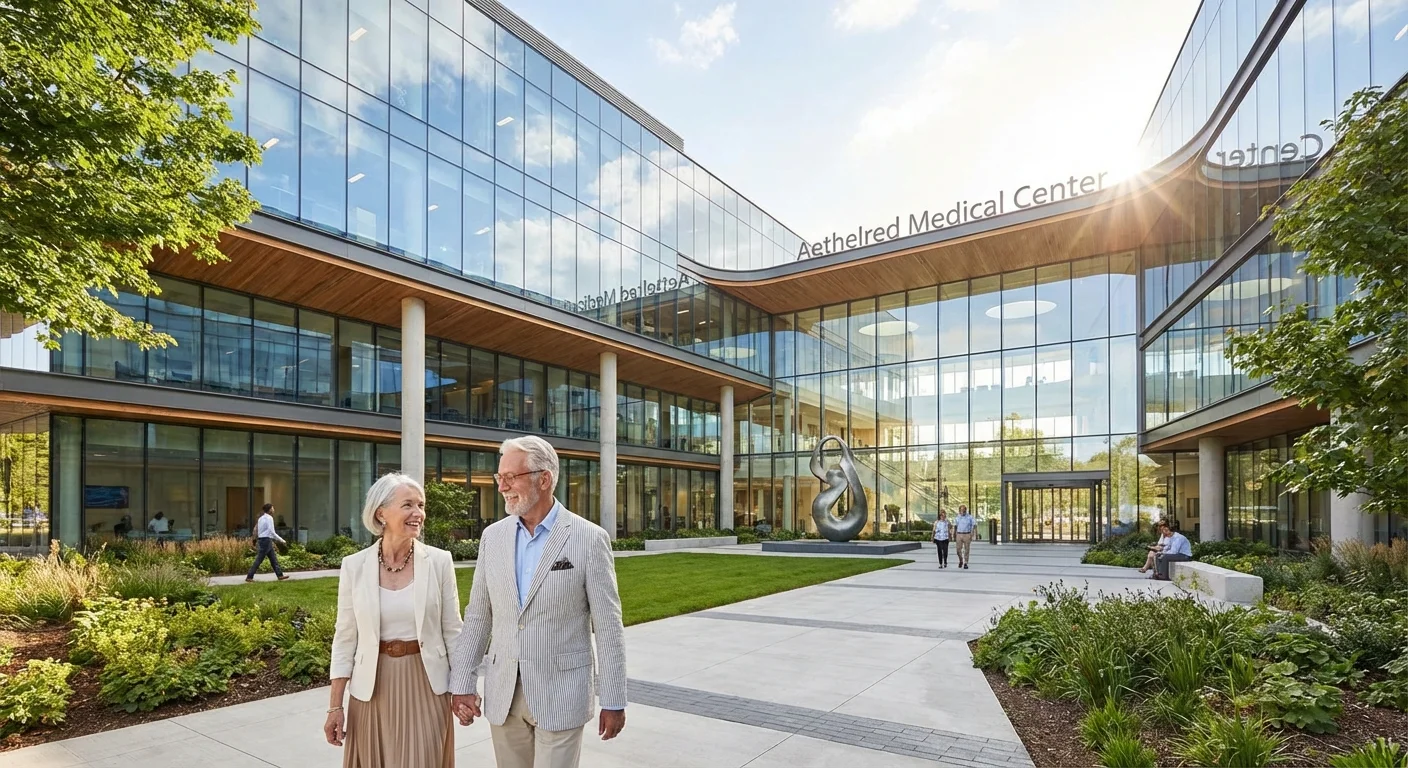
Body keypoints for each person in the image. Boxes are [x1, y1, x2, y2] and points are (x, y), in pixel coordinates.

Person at [450, 436, 627, 768]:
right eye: (499, 477)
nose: (502, 486)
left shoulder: (588, 538)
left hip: (562, 692)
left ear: (543, 479)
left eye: (510, 477)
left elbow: (608, 626)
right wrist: (462, 682)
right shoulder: (493, 537)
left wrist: (614, 699)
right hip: (504, 695)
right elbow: (478, 616)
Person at [324, 473, 464, 767]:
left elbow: (453, 631)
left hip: (427, 683)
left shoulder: (439, 561)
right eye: (408, 505)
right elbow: (345, 637)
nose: (418, 514)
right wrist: (335, 706)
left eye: (421, 505)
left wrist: (463, 688)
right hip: (372, 688)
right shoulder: (354, 566)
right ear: (381, 513)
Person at [247, 503, 291, 583]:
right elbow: (272, 532)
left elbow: (257, 530)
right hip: (266, 540)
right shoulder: (269, 518)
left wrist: (255, 539)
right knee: (259, 559)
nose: (274, 510)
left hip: (262, 540)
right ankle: (249, 576)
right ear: (270, 509)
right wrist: (282, 540)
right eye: (273, 508)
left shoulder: (260, 518)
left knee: (273, 559)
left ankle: (280, 575)